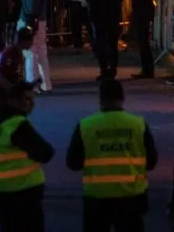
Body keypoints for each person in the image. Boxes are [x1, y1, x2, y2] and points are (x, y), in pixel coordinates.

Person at [66, 79, 158, 232]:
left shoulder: (86, 125)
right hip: (132, 195)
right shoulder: (138, 124)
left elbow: (72, 163)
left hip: (97, 196)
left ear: (100, 99)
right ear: (122, 98)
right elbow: (151, 162)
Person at [0, 81, 53, 232]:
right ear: (14, 100)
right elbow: (46, 152)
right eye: (27, 99)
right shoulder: (16, 124)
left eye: (33, 99)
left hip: (2, 189)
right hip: (24, 189)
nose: (32, 103)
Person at [10, 0, 51, 92]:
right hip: (41, 18)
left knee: (30, 52)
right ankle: (46, 84)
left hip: (27, 17)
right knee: (42, 50)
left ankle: (32, 84)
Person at [83, 0, 126, 81]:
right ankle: (112, 70)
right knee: (112, 43)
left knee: (100, 42)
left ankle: (104, 69)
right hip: (113, 15)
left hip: (98, 16)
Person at [129, 0, 156, 79]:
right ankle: (146, 69)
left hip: (143, 9)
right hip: (142, 8)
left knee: (142, 40)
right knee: (142, 40)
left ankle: (147, 70)